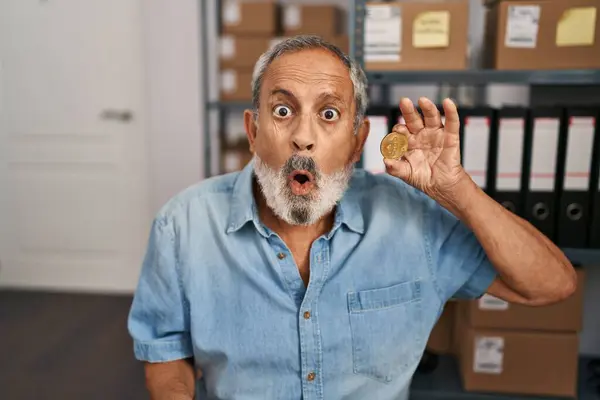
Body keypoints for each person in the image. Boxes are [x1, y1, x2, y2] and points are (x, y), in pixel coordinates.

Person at [127, 35, 577, 400]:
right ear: (253, 130)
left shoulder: (412, 221)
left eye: (328, 114)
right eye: (282, 111)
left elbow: (551, 285)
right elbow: (165, 350)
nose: (303, 137)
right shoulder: (182, 225)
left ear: (357, 141)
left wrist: (457, 192)